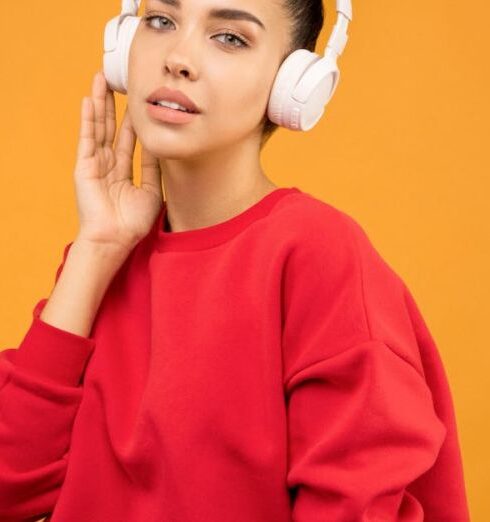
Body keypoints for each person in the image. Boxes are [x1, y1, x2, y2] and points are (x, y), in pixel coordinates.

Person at [0, 0, 471, 520]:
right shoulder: (104, 257)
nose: (178, 57)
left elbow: (355, 502)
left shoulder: (317, 256)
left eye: (230, 38)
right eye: (161, 20)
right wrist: (96, 249)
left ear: (293, 85)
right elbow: (10, 487)